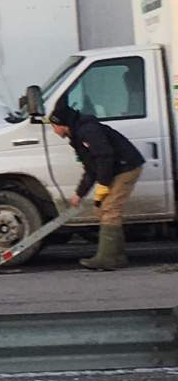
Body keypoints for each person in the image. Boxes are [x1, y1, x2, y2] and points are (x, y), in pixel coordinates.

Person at [48, 99, 144, 270]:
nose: (53, 130)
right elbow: (91, 167)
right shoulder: (77, 136)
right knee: (101, 210)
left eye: (53, 127)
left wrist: (103, 184)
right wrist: (80, 194)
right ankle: (117, 255)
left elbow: (105, 156)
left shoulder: (88, 131)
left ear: (62, 124)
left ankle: (108, 259)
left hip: (126, 167)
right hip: (116, 169)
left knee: (109, 209)